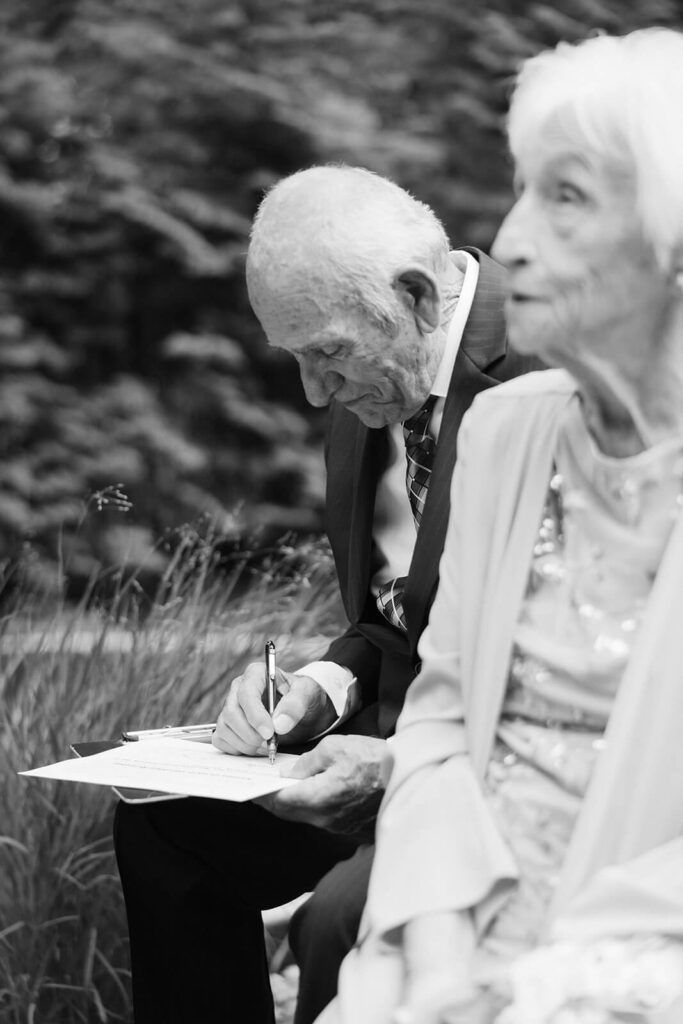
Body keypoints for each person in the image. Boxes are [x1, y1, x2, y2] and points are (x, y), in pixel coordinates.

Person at [113, 165, 538, 1024]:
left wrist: (400, 771)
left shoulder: (553, 369)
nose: (314, 393)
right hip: (370, 751)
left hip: (510, 769)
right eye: (296, 358)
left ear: (417, 295)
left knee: (345, 919)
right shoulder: (373, 381)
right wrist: (321, 687)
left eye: (327, 354)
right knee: (166, 826)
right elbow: (394, 622)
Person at [319, 28, 683, 1024]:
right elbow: (437, 721)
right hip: (457, 918)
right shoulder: (508, 430)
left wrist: (542, 989)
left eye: (564, 197)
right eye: (520, 188)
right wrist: (435, 960)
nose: (509, 238)